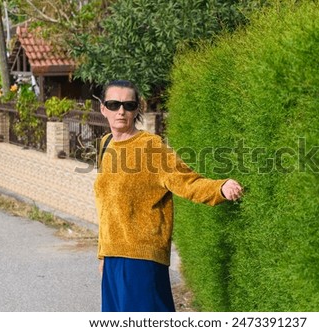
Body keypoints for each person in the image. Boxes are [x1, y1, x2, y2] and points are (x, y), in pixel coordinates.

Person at [94, 79, 243, 312]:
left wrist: (219, 188)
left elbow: (186, 181)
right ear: (103, 108)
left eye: (128, 105)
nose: (121, 111)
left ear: (137, 110)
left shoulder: (151, 148)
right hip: (113, 258)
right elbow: (106, 206)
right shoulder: (105, 145)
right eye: (113, 104)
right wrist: (103, 253)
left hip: (142, 259)